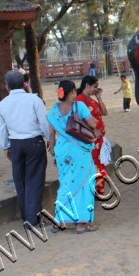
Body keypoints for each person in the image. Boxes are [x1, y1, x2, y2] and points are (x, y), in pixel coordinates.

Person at [0, 70, 50, 226]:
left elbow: (1, 129)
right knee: (35, 180)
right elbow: (44, 123)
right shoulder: (34, 100)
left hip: (16, 145)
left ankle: (27, 217)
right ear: (24, 83)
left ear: (7, 86)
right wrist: (48, 138)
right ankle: (33, 219)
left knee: (20, 181)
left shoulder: (2, 105)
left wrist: (5, 146)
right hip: (35, 143)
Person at [47, 80, 100, 234]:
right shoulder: (78, 106)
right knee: (84, 184)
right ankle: (81, 225)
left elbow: (51, 135)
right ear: (71, 92)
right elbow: (93, 124)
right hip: (80, 151)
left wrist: (52, 153)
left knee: (65, 184)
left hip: (62, 152)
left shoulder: (52, 112)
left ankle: (59, 222)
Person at [76, 75, 109, 195]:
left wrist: (99, 97)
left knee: (98, 164)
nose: (97, 89)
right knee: (95, 165)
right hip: (91, 139)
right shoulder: (80, 99)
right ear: (87, 85)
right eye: (95, 86)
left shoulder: (90, 99)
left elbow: (105, 112)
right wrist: (93, 130)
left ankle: (96, 191)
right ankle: (93, 191)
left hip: (98, 139)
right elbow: (78, 119)